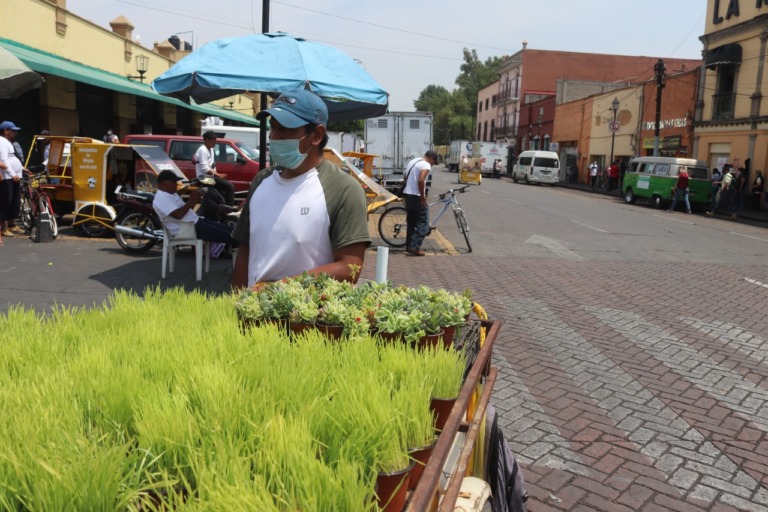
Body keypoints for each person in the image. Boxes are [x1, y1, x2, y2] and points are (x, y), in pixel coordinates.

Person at [230, 88, 370, 289]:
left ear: (316, 135)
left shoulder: (343, 189)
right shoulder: (262, 180)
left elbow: (350, 267)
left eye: (286, 129)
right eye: (273, 127)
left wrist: (280, 289)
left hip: (307, 317)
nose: (275, 137)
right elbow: (246, 248)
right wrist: (237, 300)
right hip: (253, 312)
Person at [152, 170, 238, 246]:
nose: (176, 184)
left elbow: (186, 209)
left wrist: (192, 197)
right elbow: (178, 215)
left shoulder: (170, 194)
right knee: (232, 236)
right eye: (174, 182)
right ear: (163, 183)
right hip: (188, 228)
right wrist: (191, 200)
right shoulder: (162, 198)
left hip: (194, 223)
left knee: (232, 230)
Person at [402, 149, 439, 257]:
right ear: (431, 158)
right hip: (417, 197)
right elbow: (421, 179)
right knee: (423, 223)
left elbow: (405, 176)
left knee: (412, 222)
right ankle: (415, 247)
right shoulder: (426, 165)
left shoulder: (413, 162)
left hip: (407, 195)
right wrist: (422, 197)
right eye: (434, 162)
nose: (432, 165)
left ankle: (409, 246)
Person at [195, 131, 235, 206]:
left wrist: (217, 175)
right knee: (229, 186)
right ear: (206, 140)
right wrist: (218, 175)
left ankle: (220, 206)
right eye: (213, 140)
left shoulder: (211, 150)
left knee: (222, 189)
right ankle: (229, 207)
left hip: (210, 177)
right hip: (202, 178)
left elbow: (212, 165)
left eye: (215, 140)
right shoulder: (203, 150)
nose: (215, 142)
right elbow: (205, 169)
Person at [0, 121, 25, 236]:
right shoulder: (2, 142)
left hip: (14, 176)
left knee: (14, 201)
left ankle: (11, 224)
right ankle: (4, 227)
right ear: (6, 131)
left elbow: (12, 158)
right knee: (6, 201)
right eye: (13, 130)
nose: (15, 133)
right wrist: (12, 174)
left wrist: (22, 168)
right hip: (7, 177)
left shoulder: (8, 142)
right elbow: (4, 161)